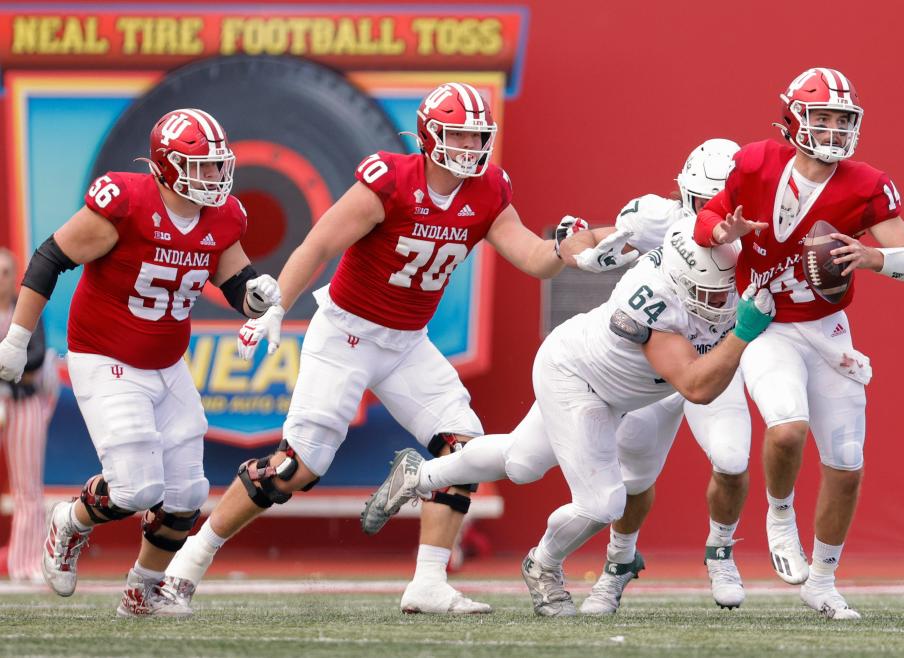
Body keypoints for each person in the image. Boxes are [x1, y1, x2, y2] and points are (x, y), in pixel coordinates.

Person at [162, 82, 606, 615]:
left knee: (463, 450)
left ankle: (428, 583)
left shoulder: (488, 189)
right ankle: (187, 563)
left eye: (476, 135)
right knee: (296, 467)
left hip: (406, 344)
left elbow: (534, 258)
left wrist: (566, 250)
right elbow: (319, 242)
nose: (469, 146)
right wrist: (277, 306)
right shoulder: (390, 181)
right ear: (430, 135)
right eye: (458, 134)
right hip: (345, 333)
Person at [360, 217, 777, 617]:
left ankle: (419, 476)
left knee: (520, 463)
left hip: (619, 390)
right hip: (578, 377)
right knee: (603, 502)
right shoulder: (650, 299)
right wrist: (742, 332)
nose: (721, 301)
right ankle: (542, 564)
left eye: (726, 289)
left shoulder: (712, 259)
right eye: (709, 293)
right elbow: (696, 386)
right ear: (679, 280)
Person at [0, 108, 281, 616]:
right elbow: (49, 257)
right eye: (204, 166)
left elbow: (234, 279)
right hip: (105, 355)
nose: (217, 177)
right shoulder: (126, 203)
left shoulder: (223, 216)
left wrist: (257, 296)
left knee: (186, 493)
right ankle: (70, 521)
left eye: (220, 165)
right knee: (135, 487)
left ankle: (142, 589)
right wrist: (17, 338)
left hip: (167, 363)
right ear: (168, 166)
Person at [693, 67, 904, 620]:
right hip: (766, 321)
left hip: (826, 330)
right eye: (821, 117)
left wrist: (873, 257)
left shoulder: (866, 182)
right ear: (792, 118)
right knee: (787, 428)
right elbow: (707, 217)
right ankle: (780, 512)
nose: (832, 129)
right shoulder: (755, 161)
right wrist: (722, 233)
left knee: (847, 466)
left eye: (842, 119)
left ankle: (822, 580)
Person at [569, 138, 753, 614]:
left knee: (732, 460)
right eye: (702, 201)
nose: (710, 215)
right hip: (655, 368)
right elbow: (601, 242)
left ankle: (721, 551)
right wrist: (584, 250)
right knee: (634, 479)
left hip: (716, 361)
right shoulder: (657, 218)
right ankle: (618, 563)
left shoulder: (758, 230)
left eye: (722, 201)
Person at [0, 248, 56, 583]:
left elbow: (34, 359)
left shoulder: (27, 308)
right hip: (9, 396)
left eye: (6, 272)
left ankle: (26, 561)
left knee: (27, 488)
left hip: (24, 403)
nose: (0, 279)